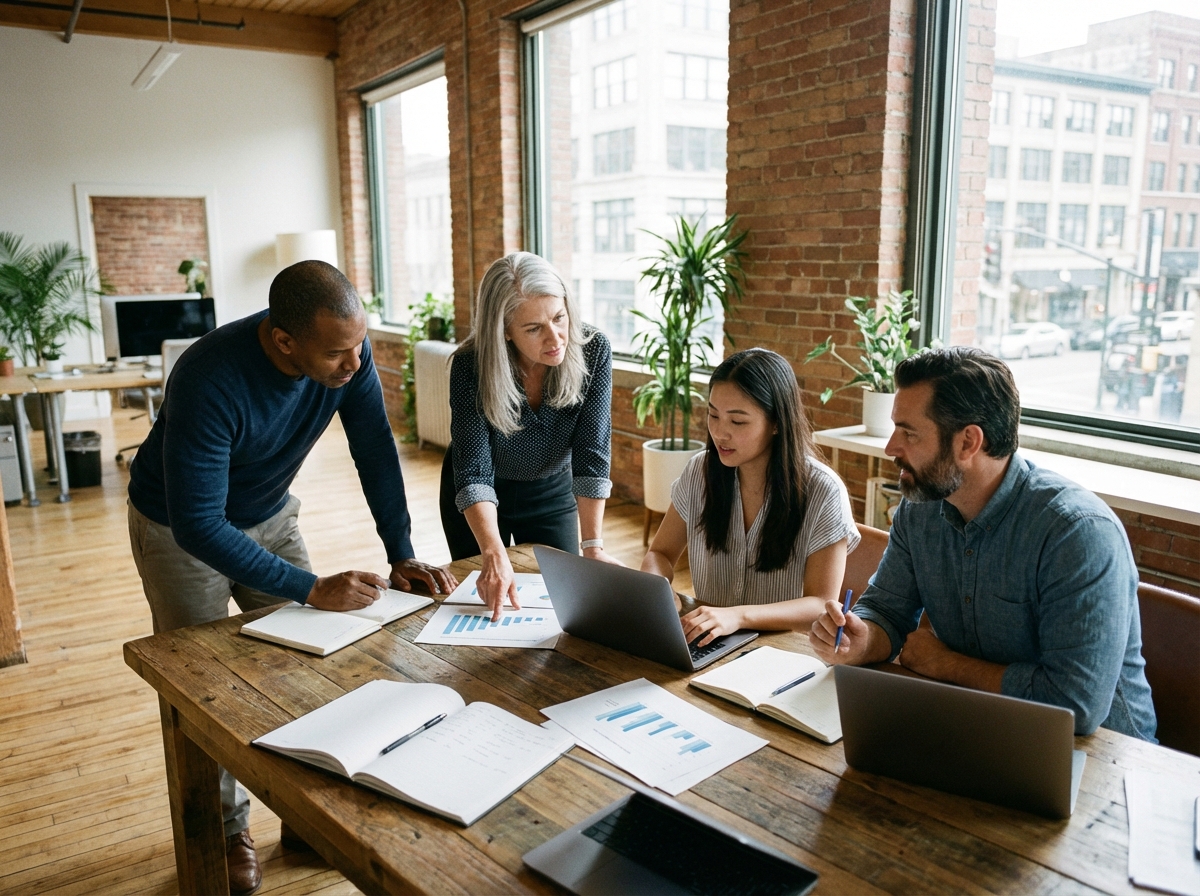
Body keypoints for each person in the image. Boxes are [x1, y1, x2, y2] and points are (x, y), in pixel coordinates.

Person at [127, 260, 456, 894]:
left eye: (358, 345)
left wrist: (401, 551)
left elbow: (376, 450)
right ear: (284, 342)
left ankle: (305, 812)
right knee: (206, 688)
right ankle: (225, 830)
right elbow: (199, 524)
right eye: (337, 353)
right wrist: (310, 588)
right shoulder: (208, 375)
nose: (353, 365)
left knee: (308, 663)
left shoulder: (345, 358)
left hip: (271, 512)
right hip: (177, 530)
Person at [810, 346, 1157, 741]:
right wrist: (861, 639)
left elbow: (1076, 705)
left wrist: (946, 664)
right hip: (979, 726)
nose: (891, 447)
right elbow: (887, 611)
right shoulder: (919, 509)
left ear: (968, 443)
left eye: (909, 432)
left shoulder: (1076, 533)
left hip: (1106, 757)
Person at [440, 252, 619, 622]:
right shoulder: (470, 365)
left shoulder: (594, 349)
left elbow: (592, 453)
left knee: (564, 601)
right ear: (504, 330)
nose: (555, 338)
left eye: (559, 317)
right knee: (483, 601)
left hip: (551, 488)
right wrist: (492, 551)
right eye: (534, 328)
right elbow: (473, 468)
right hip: (480, 493)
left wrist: (594, 546)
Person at [641, 348, 859, 646]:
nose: (720, 432)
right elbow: (660, 554)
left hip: (780, 651)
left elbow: (820, 604)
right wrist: (657, 588)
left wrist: (738, 616)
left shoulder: (823, 491)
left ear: (777, 423)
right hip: (708, 640)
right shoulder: (700, 471)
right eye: (713, 415)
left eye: (738, 421)